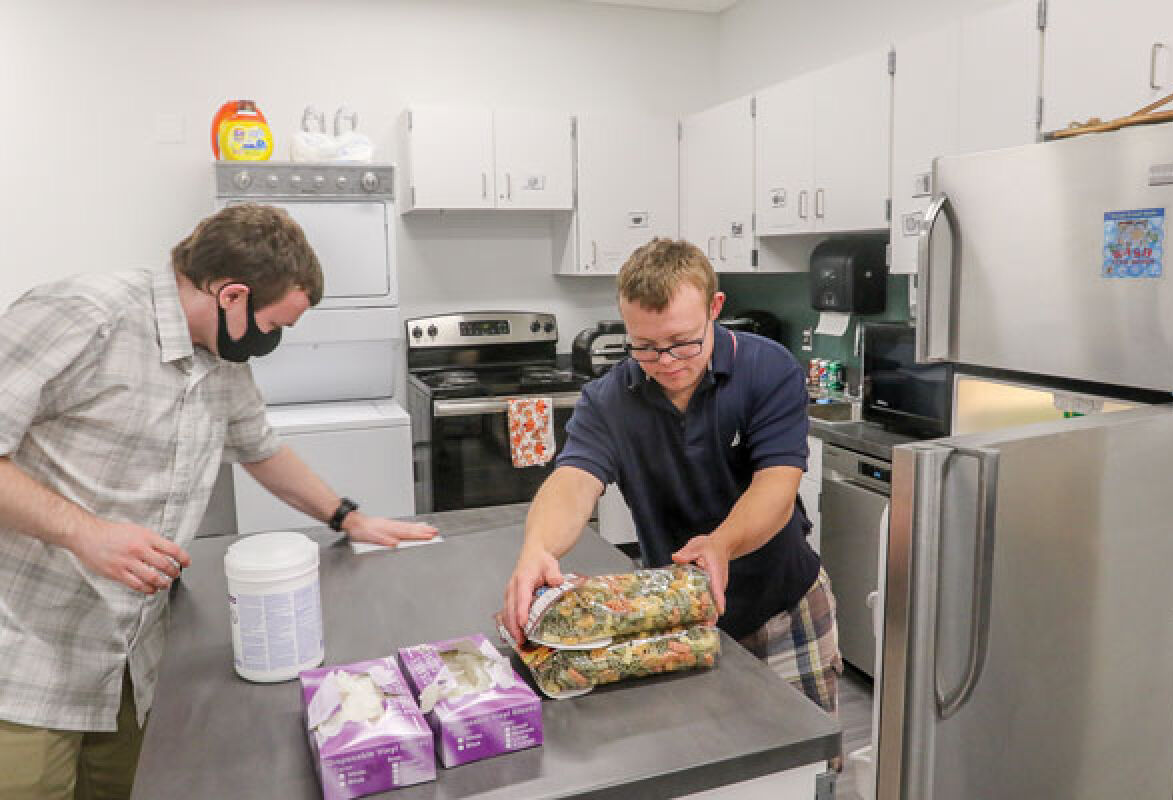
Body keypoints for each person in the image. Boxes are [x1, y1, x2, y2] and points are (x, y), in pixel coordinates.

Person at [0, 203, 436, 799]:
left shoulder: (221, 361)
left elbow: (261, 451)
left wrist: (349, 516)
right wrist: (86, 533)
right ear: (232, 296)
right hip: (27, 656)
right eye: (276, 324)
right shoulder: (85, 316)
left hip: (130, 660)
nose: (275, 341)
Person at [502, 237, 841, 715]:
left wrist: (720, 544)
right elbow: (574, 480)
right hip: (676, 615)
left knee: (806, 768)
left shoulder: (769, 369)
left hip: (784, 608)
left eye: (683, 343)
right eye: (644, 346)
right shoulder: (609, 399)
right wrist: (538, 549)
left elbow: (777, 485)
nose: (666, 363)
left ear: (715, 307)